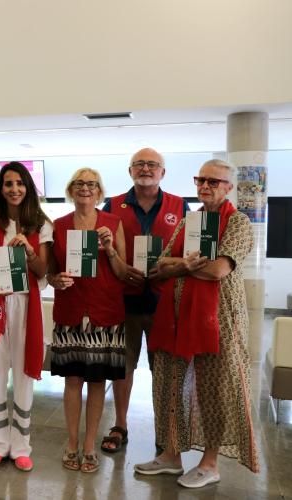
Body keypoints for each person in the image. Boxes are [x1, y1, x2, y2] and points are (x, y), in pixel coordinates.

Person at [134, 159, 259, 488]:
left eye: (212, 181)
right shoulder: (191, 220)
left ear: (228, 187)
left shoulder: (239, 223)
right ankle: (171, 456)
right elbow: (159, 266)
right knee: (171, 383)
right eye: (200, 180)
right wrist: (184, 264)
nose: (204, 186)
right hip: (175, 318)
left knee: (214, 389)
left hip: (220, 319)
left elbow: (218, 270)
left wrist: (180, 266)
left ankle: (209, 464)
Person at [101, 148, 188, 453]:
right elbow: (103, 249)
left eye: (152, 164)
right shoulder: (112, 205)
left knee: (162, 370)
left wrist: (169, 268)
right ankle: (119, 425)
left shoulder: (180, 205)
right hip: (123, 300)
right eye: (139, 164)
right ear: (130, 171)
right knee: (122, 366)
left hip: (164, 303)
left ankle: (164, 432)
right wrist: (120, 267)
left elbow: (190, 252)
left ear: (163, 172)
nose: (146, 169)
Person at [47, 168, 128, 473]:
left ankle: (90, 445)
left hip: (104, 314)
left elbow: (123, 272)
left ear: (99, 191)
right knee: (72, 380)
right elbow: (51, 273)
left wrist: (110, 250)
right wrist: (56, 280)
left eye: (91, 184)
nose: (85, 188)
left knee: (97, 381)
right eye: (80, 184)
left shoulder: (113, 223)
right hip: (71, 312)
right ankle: (72, 443)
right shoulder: (58, 226)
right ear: (71, 189)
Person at [0, 162, 52, 472]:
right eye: (8, 184)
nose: (14, 189)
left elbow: (43, 271)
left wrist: (30, 252)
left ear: (28, 187)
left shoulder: (41, 225)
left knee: (23, 375)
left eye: (20, 183)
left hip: (27, 306)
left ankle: (21, 446)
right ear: (1, 189)